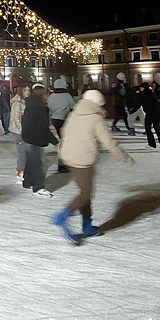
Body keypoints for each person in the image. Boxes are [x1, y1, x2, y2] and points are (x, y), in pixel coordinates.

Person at [51, 89, 135, 243]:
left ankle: (87, 225)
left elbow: (64, 131)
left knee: (85, 193)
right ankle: (63, 216)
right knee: (86, 193)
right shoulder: (95, 119)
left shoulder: (74, 113)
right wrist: (125, 157)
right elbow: (109, 142)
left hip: (69, 157)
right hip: (83, 160)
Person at [21, 83, 58, 196]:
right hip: (35, 137)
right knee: (39, 163)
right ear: (42, 94)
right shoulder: (40, 107)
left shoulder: (31, 103)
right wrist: (54, 140)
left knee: (31, 160)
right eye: (47, 93)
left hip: (28, 135)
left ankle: (27, 182)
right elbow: (43, 127)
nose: (48, 95)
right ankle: (38, 186)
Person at [48, 79, 76, 172]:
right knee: (65, 141)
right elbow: (73, 107)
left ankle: (64, 161)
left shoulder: (52, 96)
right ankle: (63, 163)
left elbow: (49, 108)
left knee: (63, 139)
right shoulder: (67, 96)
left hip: (55, 120)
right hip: (64, 119)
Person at [137, 83, 160, 150]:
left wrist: (131, 112)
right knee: (157, 128)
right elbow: (157, 103)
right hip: (156, 113)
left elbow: (138, 104)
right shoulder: (152, 93)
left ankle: (152, 144)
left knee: (148, 128)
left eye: (141, 87)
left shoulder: (143, 94)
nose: (140, 89)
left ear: (143, 88)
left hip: (150, 113)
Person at [10, 84, 31, 182]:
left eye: (28, 90)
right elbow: (16, 118)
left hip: (25, 131)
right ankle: (21, 171)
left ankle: (23, 169)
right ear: (20, 91)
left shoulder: (24, 101)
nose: (27, 92)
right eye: (25, 90)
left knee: (26, 152)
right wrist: (22, 129)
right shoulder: (17, 103)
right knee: (23, 152)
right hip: (19, 132)